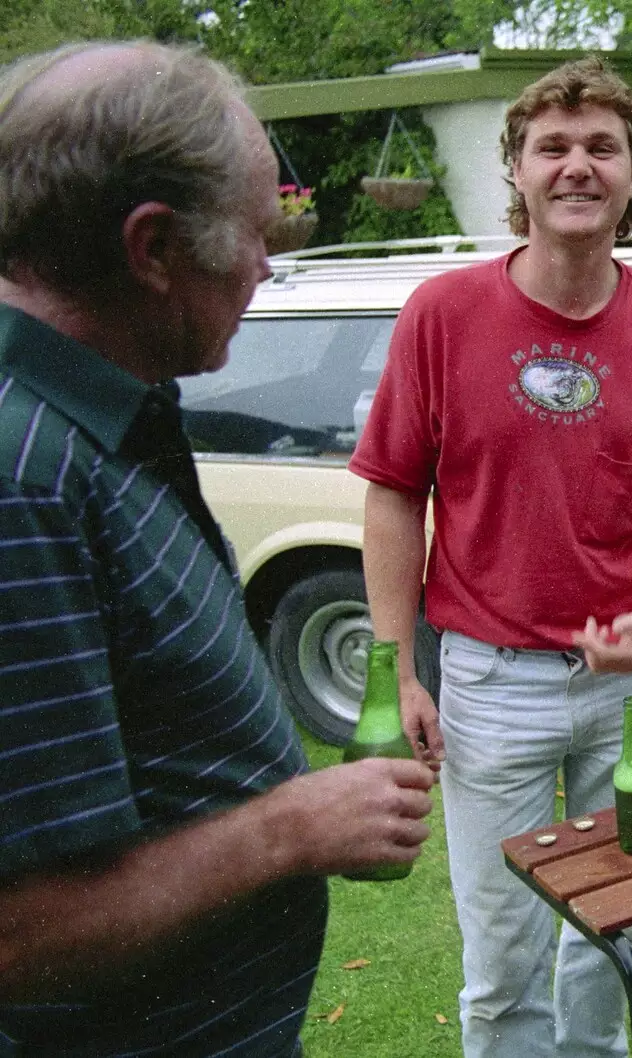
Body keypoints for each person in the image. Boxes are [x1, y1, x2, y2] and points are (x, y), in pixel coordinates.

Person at [0, 41, 437, 1056]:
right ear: (152, 248)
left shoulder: (104, 414)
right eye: (254, 230)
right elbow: (19, 933)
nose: (268, 261)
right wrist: (292, 826)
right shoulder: (23, 482)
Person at [350, 56, 632, 1058]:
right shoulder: (443, 316)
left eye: (601, 147)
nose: (576, 166)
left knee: (618, 928)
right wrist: (400, 666)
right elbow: (394, 491)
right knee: (503, 955)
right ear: (519, 173)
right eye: (553, 147)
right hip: (491, 682)